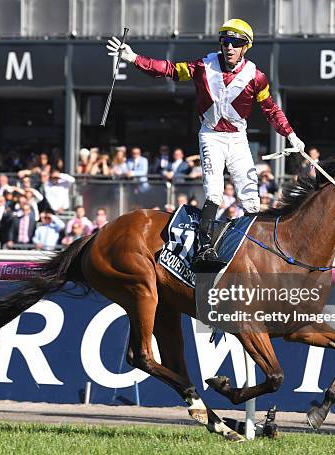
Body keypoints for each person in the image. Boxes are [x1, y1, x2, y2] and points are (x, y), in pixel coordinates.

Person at [107, 18, 305, 269]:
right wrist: (134, 58)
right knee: (214, 192)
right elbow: (167, 69)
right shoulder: (203, 66)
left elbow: (270, 110)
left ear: (246, 47)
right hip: (211, 136)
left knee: (250, 197)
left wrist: (290, 134)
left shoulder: (257, 77)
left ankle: (255, 247)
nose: (229, 47)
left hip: (237, 139)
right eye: (225, 41)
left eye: (236, 43)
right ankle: (205, 248)